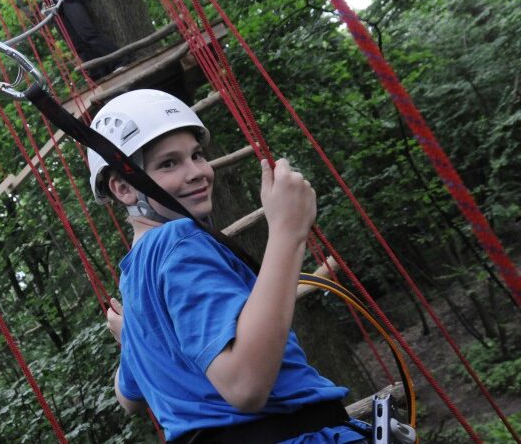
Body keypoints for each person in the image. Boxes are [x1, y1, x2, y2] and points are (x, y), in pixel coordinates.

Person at [88, 90, 368, 442]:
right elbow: (245, 385)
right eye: (168, 164)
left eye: (197, 155)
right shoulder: (179, 242)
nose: (197, 173)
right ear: (123, 188)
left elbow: (128, 398)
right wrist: (286, 230)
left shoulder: (135, 278)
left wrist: (133, 339)